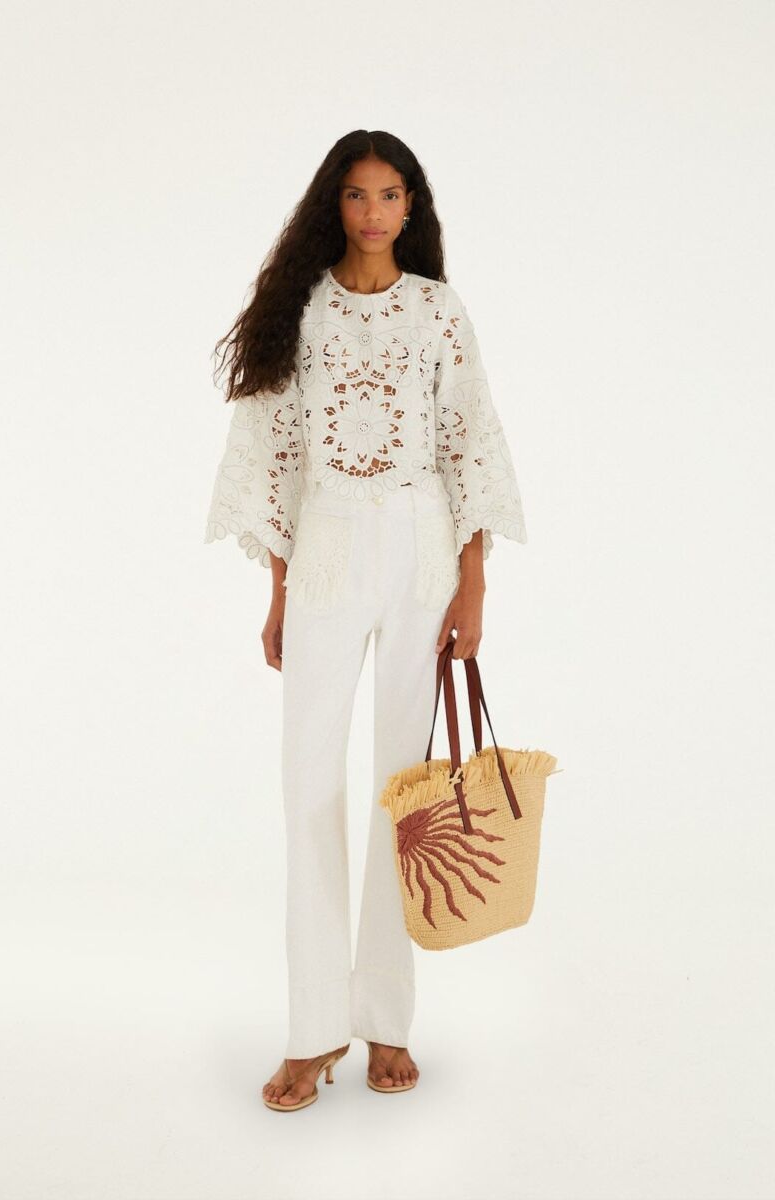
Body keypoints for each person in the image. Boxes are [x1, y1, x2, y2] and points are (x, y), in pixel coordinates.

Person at [205, 130, 528, 1111]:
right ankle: (312, 1032)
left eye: (391, 194)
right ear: (332, 206)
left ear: (411, 206)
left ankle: (386, 1019)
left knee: (403, 788)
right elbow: (275, 453)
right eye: (356, 194)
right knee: (308, 783)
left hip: (421, 548)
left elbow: (468, 442)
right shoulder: (301, 313)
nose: (374, 212)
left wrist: (472, 588)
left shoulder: (437, 310)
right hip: (328, 548)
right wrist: (277, 592)